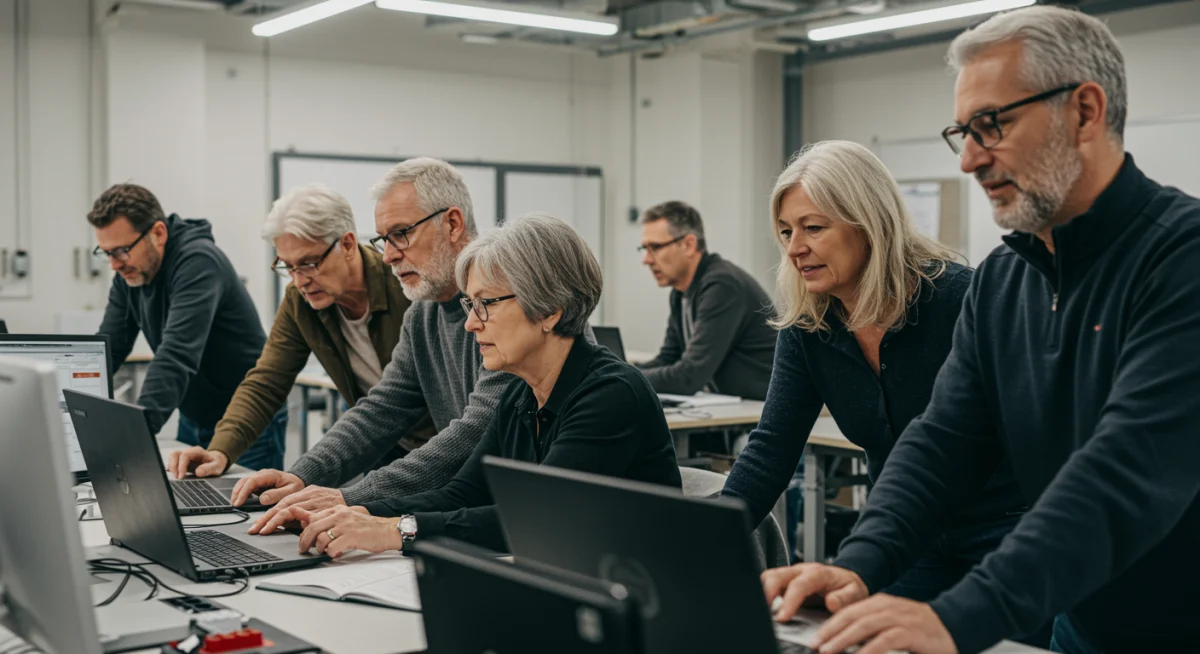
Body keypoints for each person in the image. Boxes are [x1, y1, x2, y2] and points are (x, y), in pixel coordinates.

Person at [762, 7, 1200, 654]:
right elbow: (943, 442)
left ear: (1084, 111)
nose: (969, 159)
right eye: (962, 131)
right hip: (1081, 621)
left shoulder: (1181, 260)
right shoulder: (1005, 280)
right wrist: (859, 564)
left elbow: (1128, 470)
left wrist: (959, 613)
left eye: (992, 125)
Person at [724, 140, 1043, 639]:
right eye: (786, 231)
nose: (794, 247)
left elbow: (1022, 436)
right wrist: (703, 540)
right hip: (907, 536)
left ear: (868, 223)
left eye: (813, 227)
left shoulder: (962, 300)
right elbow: (771, 447)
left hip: (1010, 534)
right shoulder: (810, 323)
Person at [289, 213, 682, 556]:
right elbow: (465, 493)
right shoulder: (520, 392)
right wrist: (358, 514)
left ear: (549, 310)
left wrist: (395, 530)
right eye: (469, 305)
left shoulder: (610, 396)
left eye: (486, 304)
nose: (472, 323)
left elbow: (536, 521)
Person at [227, 157, 513, 533]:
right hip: (469, 502)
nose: (389, 254)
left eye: (401, 234)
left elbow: (478, 429)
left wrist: (352, 496)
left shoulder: (506, 303)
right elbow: (382, 408)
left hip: (518, 516)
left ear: (453, 223)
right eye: (383, 240)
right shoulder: (423, 314)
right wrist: (302, 476)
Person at [166, 184, 433, 479]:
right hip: (387, 446)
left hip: (444, 443)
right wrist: (220, 450)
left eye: (308, 263)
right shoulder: (300, 302)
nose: (299, 280)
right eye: (288, 266)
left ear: (347, 244)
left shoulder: (406, 285)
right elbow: (266, 381)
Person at [91, 183, 286, 470]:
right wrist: (62, 409)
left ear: (158, 233)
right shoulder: (129, 275)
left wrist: (133, 439)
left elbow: (176, 355)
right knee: (193, 505)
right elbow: (108, 349)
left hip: (247, 422)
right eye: (105, 252)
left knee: (252, 514)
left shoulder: (198, 262)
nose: (114, 265)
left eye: (121, 251)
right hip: (194, 417)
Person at [635, 201, 776, 401]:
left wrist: (626, 378)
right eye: (644, 249)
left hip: (757, 413)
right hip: (729, 408)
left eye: (655, 248)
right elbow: (669, 357)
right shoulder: (680, 292)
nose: (646, 260)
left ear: (689, 245)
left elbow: (689, 377)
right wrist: (621, 371)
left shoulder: (722, 285)